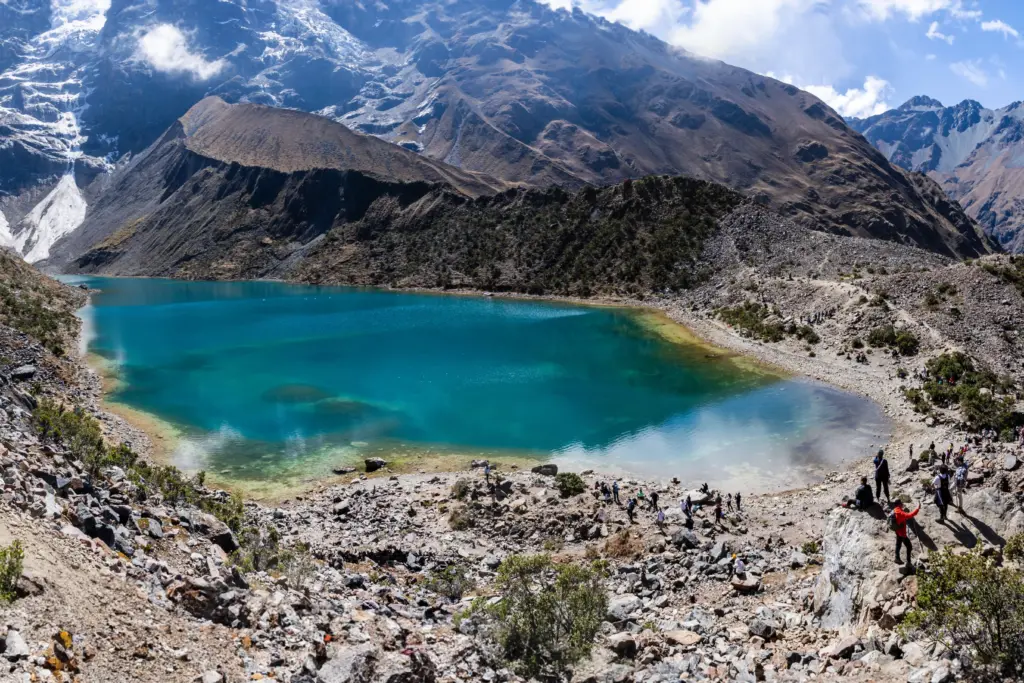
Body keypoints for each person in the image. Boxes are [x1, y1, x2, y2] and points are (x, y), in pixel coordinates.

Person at [892, 499, 920, 568]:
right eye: (901, 503)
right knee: (909, 546)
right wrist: (917, 508)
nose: (902, 504)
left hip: (897, 531)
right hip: (902, 533)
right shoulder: (899, 512)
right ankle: (908, 562)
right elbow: (910, 515)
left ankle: (897, 558)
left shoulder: (894, 510)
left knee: (898, 544)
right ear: (899, 504)